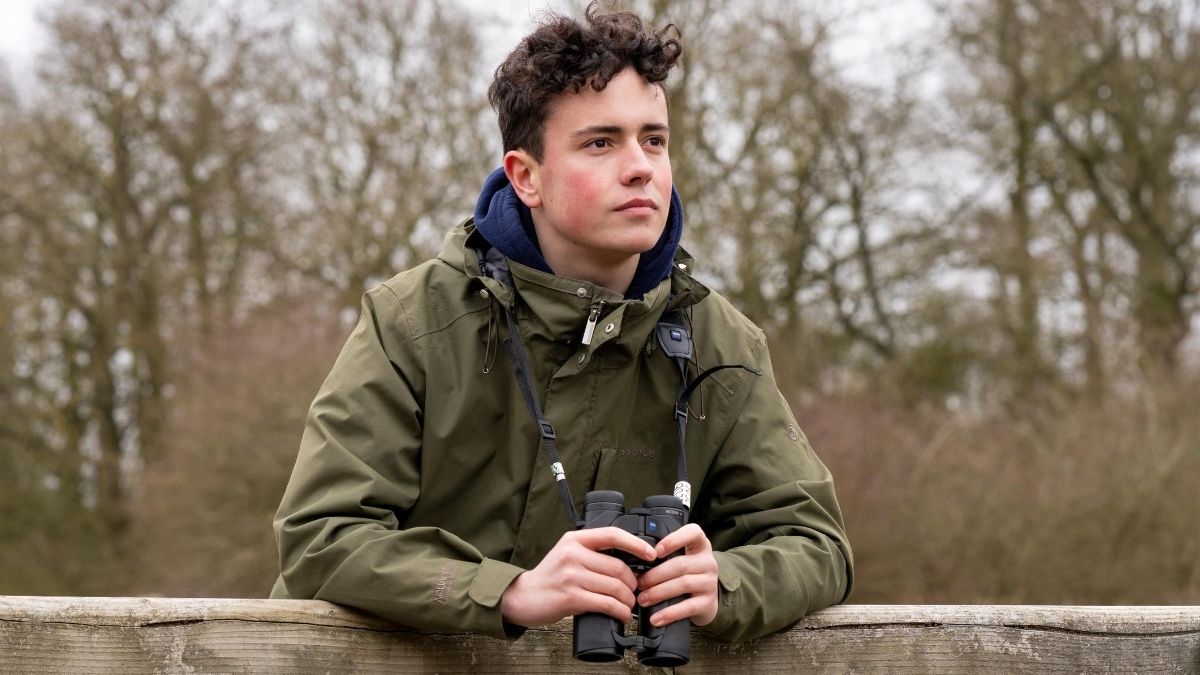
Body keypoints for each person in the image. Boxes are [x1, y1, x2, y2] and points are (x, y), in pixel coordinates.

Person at [270, 2, 852, 644]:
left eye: (653, 140)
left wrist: (726, 584)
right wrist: (509, 591)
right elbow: (321, 536)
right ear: (526, 177)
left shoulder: (720, 343)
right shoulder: (413, 321)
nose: (640, 167)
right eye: (600, 142)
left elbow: (814, 542)